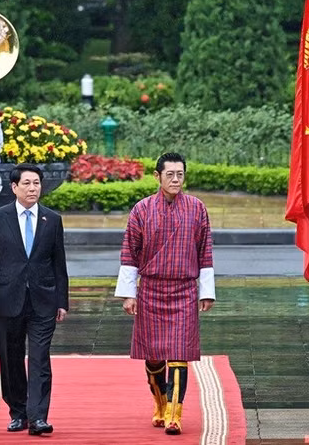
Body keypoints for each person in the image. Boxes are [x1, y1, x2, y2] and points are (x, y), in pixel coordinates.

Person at [114, 152, 215, 435]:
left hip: (184, 290)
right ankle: (159, 402)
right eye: (170, 174)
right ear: (157, 176)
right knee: (154, 356)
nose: (175, 180)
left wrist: (206, 292)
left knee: (180, 354)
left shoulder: (197, 208)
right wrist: (129, 294)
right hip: (151, 289)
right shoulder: (141, 209)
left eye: (180, 174)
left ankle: (174, 413)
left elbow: (205, 251)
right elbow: (129, 252)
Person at [0, 163, 69, 436]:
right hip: (8, 299)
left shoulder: (52, 219)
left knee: (40, 358)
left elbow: (59, 264)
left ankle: (38, 417)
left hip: (43, 299)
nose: (32, 188)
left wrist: (62, 301)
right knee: (11, 358)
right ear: (14, 187)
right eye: (27, 183)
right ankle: (18, 412)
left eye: (36, 183)